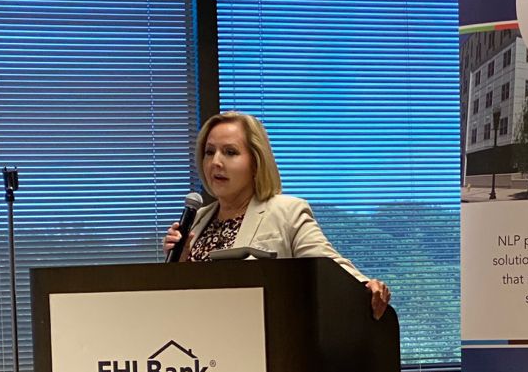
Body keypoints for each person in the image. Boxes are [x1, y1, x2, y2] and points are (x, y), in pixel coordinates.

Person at [163, 112, 392, 319]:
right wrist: (179, 262)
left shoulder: (286, 212)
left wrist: (364, 285)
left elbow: (327, 263)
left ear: (256, 161)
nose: (216, 162)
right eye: (209, 152)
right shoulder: (199, 218)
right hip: (202, 348)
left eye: (230, 152)